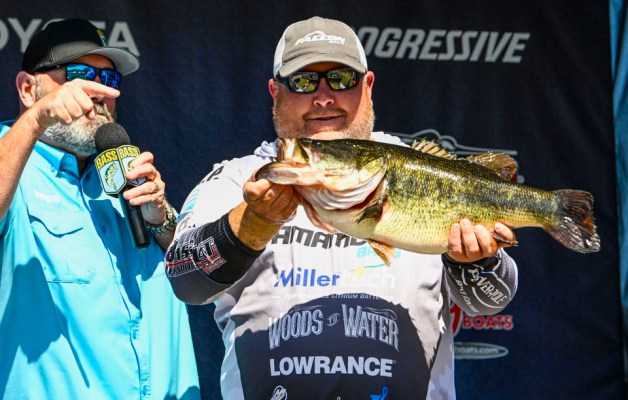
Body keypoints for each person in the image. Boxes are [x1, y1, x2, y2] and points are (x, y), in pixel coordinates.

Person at [166, 16, 518, 399]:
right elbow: (185, 280)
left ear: (367, 86)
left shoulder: (420, 171)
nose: (323, 97)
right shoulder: (238, 179)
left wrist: (474, 261)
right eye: (303, 81)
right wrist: (251, 225)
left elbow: (491, 300)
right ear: (274, 92)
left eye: (340, 79)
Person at [0, 19, 199, 399]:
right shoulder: (10, 165)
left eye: (109, 79)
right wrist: (37, 118)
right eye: (78, 75)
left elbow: (200, 277)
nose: (98, 92)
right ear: (28, 89)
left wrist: (161, 220)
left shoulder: (123, 169)